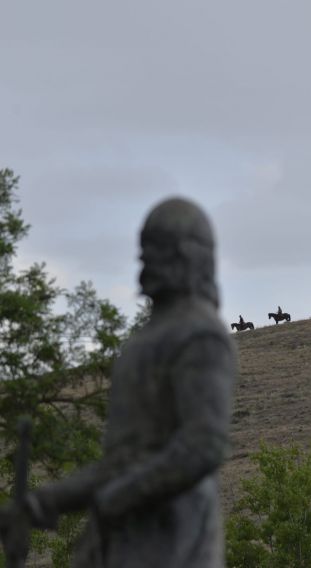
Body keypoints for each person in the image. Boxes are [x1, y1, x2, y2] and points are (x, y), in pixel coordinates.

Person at [0, 197, 236, 567]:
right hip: (122, 538)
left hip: (175, 539)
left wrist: (118, 497)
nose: (146, 261)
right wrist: (41, 502)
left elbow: (202, 446)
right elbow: (122, 462)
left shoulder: (200, 336)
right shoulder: (141, 345)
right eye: (145, 250)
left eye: (159, 250)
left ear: (188, 257)